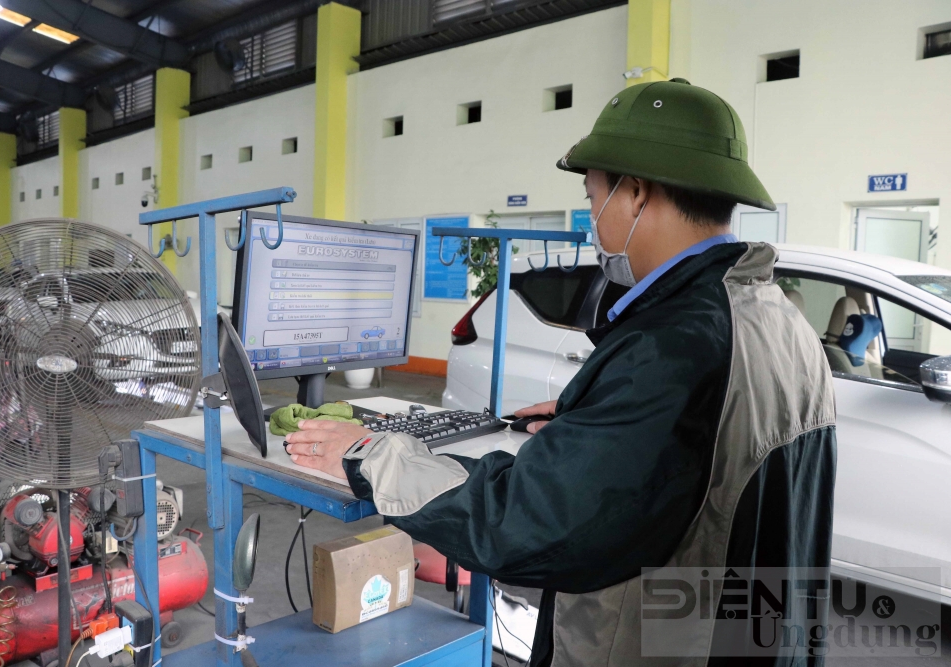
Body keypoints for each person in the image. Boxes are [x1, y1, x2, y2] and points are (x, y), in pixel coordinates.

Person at [286, 79, 837, 666]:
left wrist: (369, 453)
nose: (592, 220)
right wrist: (595, 425)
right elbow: (705, 461)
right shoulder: (778, 318)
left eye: (593, 195)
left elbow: (522, 522)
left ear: (638, 193)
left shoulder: (675, 345)